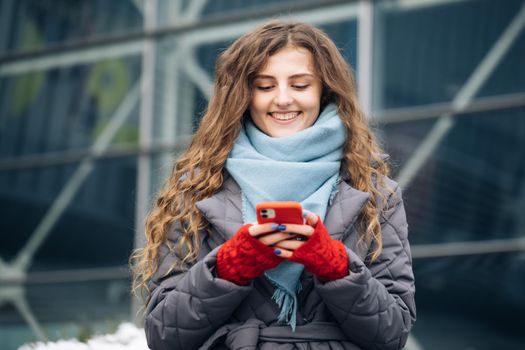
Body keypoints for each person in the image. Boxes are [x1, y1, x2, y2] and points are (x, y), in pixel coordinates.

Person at [131, 20, 416, 350]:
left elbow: (392, 333)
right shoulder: (196, 187)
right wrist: (226, 268)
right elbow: (164, 335)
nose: (282, 99)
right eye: (265, 86)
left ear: (324, 89)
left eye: (299, 85)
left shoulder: (378, 193)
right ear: (244, 94)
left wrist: (337, 268)